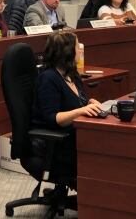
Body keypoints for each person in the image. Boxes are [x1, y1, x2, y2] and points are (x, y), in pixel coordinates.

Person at [31, 30, 103, 179]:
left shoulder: (71, 74)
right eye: (77, 46)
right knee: (102, 151)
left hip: (74, 134)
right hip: (57, 141)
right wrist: (82, 110)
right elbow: (53, 118)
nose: (80, 49)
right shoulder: (48, 78)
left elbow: (75, 103)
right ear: (67, 52)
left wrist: (89, 103)